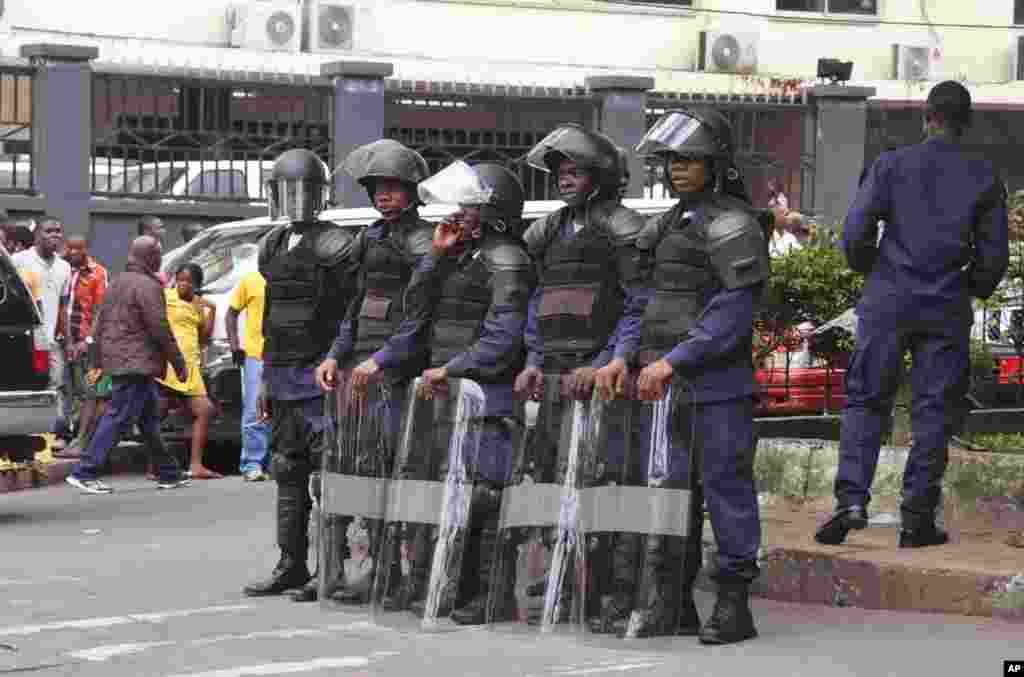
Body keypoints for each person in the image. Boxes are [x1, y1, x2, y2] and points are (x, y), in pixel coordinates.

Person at [815, 81, 1009, 549]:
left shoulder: (891, 164)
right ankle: (917, 518)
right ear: (966, 122)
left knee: (865, 400)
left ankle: (851, 501)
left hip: (888, 298)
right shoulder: (982, 176)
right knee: (933, 410)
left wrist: (873, 271)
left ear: (928, 116)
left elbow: (856, 232)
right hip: (945, 304)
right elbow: (994, 256)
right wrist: (971, 287)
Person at [605, 108, 770, 645]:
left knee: (725, 490)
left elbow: (731, 315)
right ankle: (675, 600)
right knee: (673, 494)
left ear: (715, 164)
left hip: (716, 389)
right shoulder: (666, 225)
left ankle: (733, 603)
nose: (678, 168)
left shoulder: (734, 224)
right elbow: (641, 303)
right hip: (662, 385)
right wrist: (622, 356)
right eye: (673, 159)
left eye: (690, 159)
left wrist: (672, 361)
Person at [509, 124, 649, 628]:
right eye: (560, 172)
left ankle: (609, 591)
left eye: (576, 171)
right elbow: (537, 304)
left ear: (601, 175)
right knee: (549, 481)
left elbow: (637, 305)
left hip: (599, 383)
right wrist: (531, 360)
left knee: (600, 485)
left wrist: (612, 359)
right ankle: (563, 578)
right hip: (551, 381)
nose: (566, 179)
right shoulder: (547, 232)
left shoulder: (624, 227)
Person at [386, 161, 535, 624]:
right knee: (457, 494)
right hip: (451, 392)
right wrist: (435, 257)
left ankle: (494, 595)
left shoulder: (508, 260)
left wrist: (450, 369)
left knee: (487, 495)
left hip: (487, 395)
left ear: (493, 211)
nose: (460, 214)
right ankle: (457, 587)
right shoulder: (461, 256)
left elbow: (501, 337)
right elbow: (415, 312)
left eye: (470, 206)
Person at [314, 139, 434, 606]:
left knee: (391, 473)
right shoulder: (368, 239)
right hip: (356, 371)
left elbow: (419, 319)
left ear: (410, 191)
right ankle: (368, 570)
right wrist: (333, 355)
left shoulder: (423, 240)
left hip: (394, 374)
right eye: (377, 188)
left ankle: (399, 576)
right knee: (358, 474)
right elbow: (354, 308)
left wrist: (381, 360)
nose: (384, 196)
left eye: (392, 188)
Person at [242, 149, 359, 601]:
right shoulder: (271, 244)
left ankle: (330, 569)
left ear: (321, 195)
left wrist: (336, 359)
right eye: (287, 190)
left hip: (321, 377)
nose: (295, 200)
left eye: (304, 191)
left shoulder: (338, 244)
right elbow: (271, 317)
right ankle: (291, 564)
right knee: (287, 472)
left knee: (327, 476)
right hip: (283, 373)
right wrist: (267, 379)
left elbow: (350, 312)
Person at [65, 236, 190, 494]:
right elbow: (159, 328)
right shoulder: (147, 286)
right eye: (157, 253)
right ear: (148, 257)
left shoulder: (118, 282)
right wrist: (178, 361)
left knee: (148, 419)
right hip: (135, 362)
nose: (160, 258)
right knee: (118, 416)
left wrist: (98, 358)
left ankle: (168, 472)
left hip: (122, 359)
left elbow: (100, 322)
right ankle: (85, 471)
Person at [156, 263, 222, 480]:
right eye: (180, 279)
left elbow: (204, 337)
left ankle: (196, 465)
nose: (183, 284)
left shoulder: (198, 305)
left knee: (205, 410)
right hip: (168, 365)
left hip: (190, 367)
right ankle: (154, 465)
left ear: (196, 284)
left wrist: (211, 309)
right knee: (158, 413)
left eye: (188, 281)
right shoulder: (165, 297)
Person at [12, 218, 72, 442]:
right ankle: (24, 432)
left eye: (58, 231)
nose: (54, 235)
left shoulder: (64, 267)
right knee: (26, 384)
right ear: (37, 235)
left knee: (55, 384)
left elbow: (64, 306)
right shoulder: (20, 260)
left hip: (51, 339)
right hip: (23, 337)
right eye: (49, 231)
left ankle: (51, 433)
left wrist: (69, 340)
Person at [59, 237, 109, 458]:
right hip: (63, 341)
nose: (73, 251)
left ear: (86, 249)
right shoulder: (61, 268)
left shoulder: (98, 273)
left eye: (77, 248)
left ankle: (82, 440)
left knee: (89, 391)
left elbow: (100, 311)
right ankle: (66, 437)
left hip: (87, 346)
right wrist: (68, 341)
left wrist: (86, 340)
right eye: (69, 247)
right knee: (64, 389)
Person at [226, 246, 271, 482]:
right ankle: (252, 463)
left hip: (285, 354)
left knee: (283, 407)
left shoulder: (289, 280)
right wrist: (235, 345)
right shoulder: (250, 281)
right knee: (255, 409)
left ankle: (276, 461)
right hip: (256, 355)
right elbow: (231, 313)